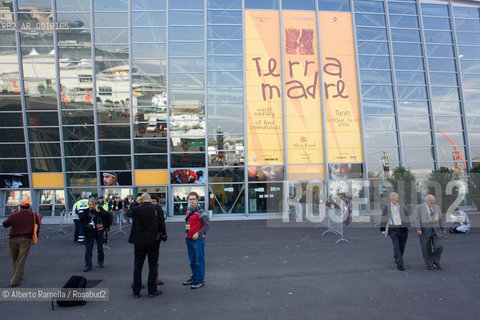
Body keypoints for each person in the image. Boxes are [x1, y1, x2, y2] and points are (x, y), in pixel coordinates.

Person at [127, 193, 167, 298]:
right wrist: (163, 235)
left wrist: (135, 203)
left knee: (138, 266)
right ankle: (152, 290)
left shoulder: (137, 209)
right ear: (149, 199)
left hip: (139, 242)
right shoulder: (156, 208)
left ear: (141, 200)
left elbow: (128, 213)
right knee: (152, 266)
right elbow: (162, 223)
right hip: (153, 241)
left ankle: (136, 291)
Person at [2, 199, 41, 287]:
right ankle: (15, 280)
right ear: (29, 207)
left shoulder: (14, 215)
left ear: (20, 206)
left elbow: (5, 224)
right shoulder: (33, 215)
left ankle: (17, 275)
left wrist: (11, 214)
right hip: (26, 239)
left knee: (14, 259)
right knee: (21, 259)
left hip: (12, 239)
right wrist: (36, 236)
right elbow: (38, 225)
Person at [183, 191, 211, 290]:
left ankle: (200, 281)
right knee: (192, 260)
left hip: (198, 239)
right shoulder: (188, 210)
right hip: (189, 238)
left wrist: (198, 233)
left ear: (197, 199)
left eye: (193, 199)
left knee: (199, 260)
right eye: (190, 199)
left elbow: (207, 224)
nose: (192, 201)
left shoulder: (201, 212)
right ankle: (194, 277)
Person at [414, 194, 447, 270]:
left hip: (436, 230)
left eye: (433, 202)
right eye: (431, 202)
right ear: (426, 201)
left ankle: (435, 260)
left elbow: (440, 219)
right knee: (426, 248)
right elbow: (417, 219)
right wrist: (418, 229)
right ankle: (429, 263)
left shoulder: (436, 207)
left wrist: (443, 228)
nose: (432, 203)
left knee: (439, 245)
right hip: (424, 230)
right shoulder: (419, 208)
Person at [380, 192, 410, 271]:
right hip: (392, 228)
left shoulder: (402, 206)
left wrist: (408, 225)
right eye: (391, 198)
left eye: (394, 198)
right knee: (396, 245)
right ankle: (400, 264)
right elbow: (383, 217)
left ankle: (397, 256)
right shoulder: (387, 207)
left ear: (397, 198)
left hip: (402, 227)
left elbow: (407, 215)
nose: (392, 199)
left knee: (402, 246)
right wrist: (382, 229)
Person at [80, 197, 109, 272]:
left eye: (92, 204)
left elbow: (105, 216)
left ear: (95, 204)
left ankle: (100, 262)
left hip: (98, 230)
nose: (91, 206)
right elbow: (82, 220)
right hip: (89, 231)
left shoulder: (99, 209)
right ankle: (88, 265)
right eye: (90, 204)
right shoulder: (86, 211)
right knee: (88, 248)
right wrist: (84, 230)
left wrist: (98, 211)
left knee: (100, 247)